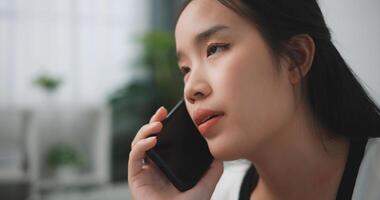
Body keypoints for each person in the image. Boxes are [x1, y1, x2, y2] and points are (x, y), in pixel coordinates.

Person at [128, 0, 380, 199]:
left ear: (297, 56)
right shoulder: (218, 194)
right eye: (185, 70)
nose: (191, 88)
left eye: (214, 49)